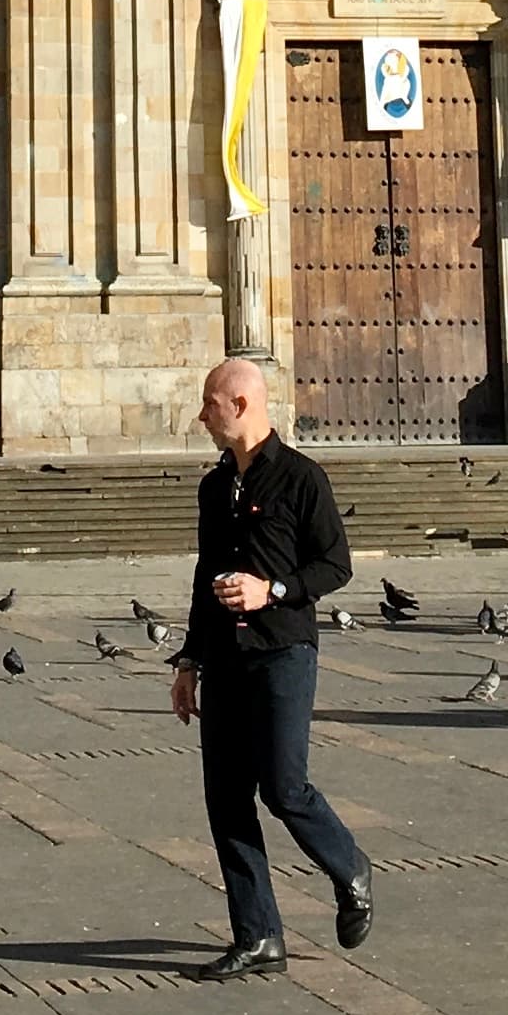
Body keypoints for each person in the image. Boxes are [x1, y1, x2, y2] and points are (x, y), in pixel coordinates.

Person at [172, 358, 369, 982]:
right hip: (225, 659)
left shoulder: (302, 479)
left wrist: (272, 591)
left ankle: (351, 868)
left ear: (240, 404)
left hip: (284, 651)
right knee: (226, 801)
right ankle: (258, 937)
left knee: (284, 789)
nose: (202, 415)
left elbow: (335, 566)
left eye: (209, 403)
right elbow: (207, 577)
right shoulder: (214, 486)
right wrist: (189, 660)